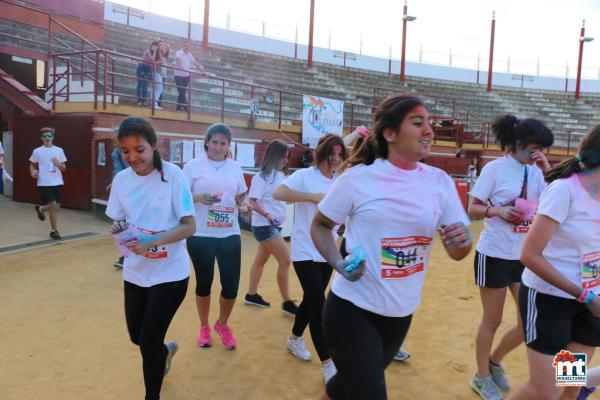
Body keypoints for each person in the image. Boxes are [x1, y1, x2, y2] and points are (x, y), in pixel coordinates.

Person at [310, 94, 472, 400]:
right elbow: (320, 225)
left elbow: (457, 251)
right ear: (389, 133)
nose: (429, 131)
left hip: (400, 314)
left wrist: (462, 242)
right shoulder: (358, 178)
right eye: (418, 123)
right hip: (353, 311)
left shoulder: (439, 182)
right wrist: (337, 262)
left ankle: (570, 387)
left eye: (430, 124)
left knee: (345, 388)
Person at [106, 116, 196, 400]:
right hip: (135, 272)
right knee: (138, 337)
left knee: (148, 340)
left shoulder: (174, 176)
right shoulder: (121, 180)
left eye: (139, 149)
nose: (132, 157)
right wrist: (119, 228)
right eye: (125, 150)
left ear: (154, 145)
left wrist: (152, 242)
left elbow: (189, 225)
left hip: (170, 274)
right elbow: (119, 221)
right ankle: (165, 352)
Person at [508, 126, 600, 400]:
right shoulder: (565, 192)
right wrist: (584, 295)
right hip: (550, 301)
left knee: (569, 386)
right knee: (544, 391)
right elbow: (529, 255)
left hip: (588, 307)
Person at [467, 115, 554, 400]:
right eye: (535, 148)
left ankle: (494, 362)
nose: (539, 153)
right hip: (500, 254)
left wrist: (545, 168)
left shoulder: (542, 173)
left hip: (533, 263)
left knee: (532, 322)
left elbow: (555, 201)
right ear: (518, 144)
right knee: (495, 320)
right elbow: (474, 207)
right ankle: (482, 376)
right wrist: (496, 211)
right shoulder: (497, 169)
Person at [273, 133, 347, 382]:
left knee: (311, 298)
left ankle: (294, 339)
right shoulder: (305, 176)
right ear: (321, 154)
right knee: (318, 304)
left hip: (327, 250)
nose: (335, 159)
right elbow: (279, 192)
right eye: (331, 154)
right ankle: (328, 364)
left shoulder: (341, 180)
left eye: (339, 154)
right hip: (304, 249)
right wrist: (312, 197)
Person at [183, 123, 249, 350]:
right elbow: (180, 196)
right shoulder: (193, 166)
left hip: (229, 233)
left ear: (228, 146)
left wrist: (245, 203)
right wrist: (198, 197)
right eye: (215, 142)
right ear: (207, 142)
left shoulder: (234, 167)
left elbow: (242, 194)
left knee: (231, 286)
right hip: (200, 233)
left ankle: (222, 324)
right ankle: (204, 326)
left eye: (223, 143)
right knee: (204, 282)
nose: (218, 147)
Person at [245, 139, 298, 315]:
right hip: (264, 227)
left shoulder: (280, 175)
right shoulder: (261, 177)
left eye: (287, 156)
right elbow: (252, 201)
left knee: (260, 260)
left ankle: (251, 295)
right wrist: (267, 215)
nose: (286, 159)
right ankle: (287, 302)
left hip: (273, 226)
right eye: (284, 156)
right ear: (274, 155)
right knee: (285, 260)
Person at [29, 127, 67, 240]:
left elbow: (64, 168)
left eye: (49, 136)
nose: (47, 138)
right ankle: (54, 231)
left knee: (56, 207)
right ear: (41, 138)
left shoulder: (59, 150)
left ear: (53, 138)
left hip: (57, 181)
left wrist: (58, 163)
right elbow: (32, 164)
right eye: (44, 136)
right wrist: (32, 172)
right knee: (53, 205)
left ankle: (41, 209)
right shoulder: (37, 151)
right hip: (44, 182)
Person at [110, 144, 130, 269]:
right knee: (123, 224)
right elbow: (118, 171)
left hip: (130, 189)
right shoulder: (116, 153)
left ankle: (126, 256)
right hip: (126, 189)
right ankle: (125, 256)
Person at [174, 40, 205, 112]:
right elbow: (178, 61)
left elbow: (195, 63)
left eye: (188, 46)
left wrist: (203, 71)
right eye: (185, 45)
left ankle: (179, 108)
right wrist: (182, 68)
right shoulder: (179, 52)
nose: (187, 47)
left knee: (182, 92)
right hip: (178, 75)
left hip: (186, 76)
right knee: (181, 91)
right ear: (183, 45)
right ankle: (185, 107)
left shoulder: (190, 54)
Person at [137, 41, 159, 106]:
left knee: (145, 86)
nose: (155, 47)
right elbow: (152, 59)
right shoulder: (148, 51)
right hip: (142, 66)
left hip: (149, 68)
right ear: (151, 45)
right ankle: (139, 101)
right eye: (154, 46)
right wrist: (155, 51)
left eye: (156, 46)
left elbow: (160, 61)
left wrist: (155, 53)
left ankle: (144, 101)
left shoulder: (156, 53)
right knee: (140, 85)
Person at [153, 41, 169, 110]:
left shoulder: (161, 53)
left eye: (163, 45)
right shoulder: (157, 52)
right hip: (156, 72)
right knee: (159, 88)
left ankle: (155, 104)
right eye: (160, 45)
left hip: (159, 73)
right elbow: (155, 61)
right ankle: (154, 104)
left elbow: (162, 61)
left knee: (158, 88)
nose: (162, 46)